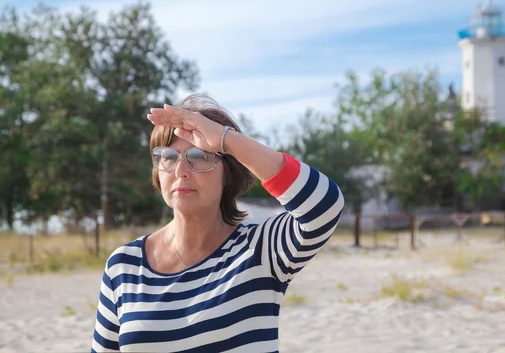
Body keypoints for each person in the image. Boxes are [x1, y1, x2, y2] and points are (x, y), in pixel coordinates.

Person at [91, 94, 345, 352]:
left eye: (200, 155)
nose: (181, 170)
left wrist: (225, 140)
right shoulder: (124, 265)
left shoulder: (261, 251)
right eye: (167, 156)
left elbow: (325, 205)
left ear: (228, 174)